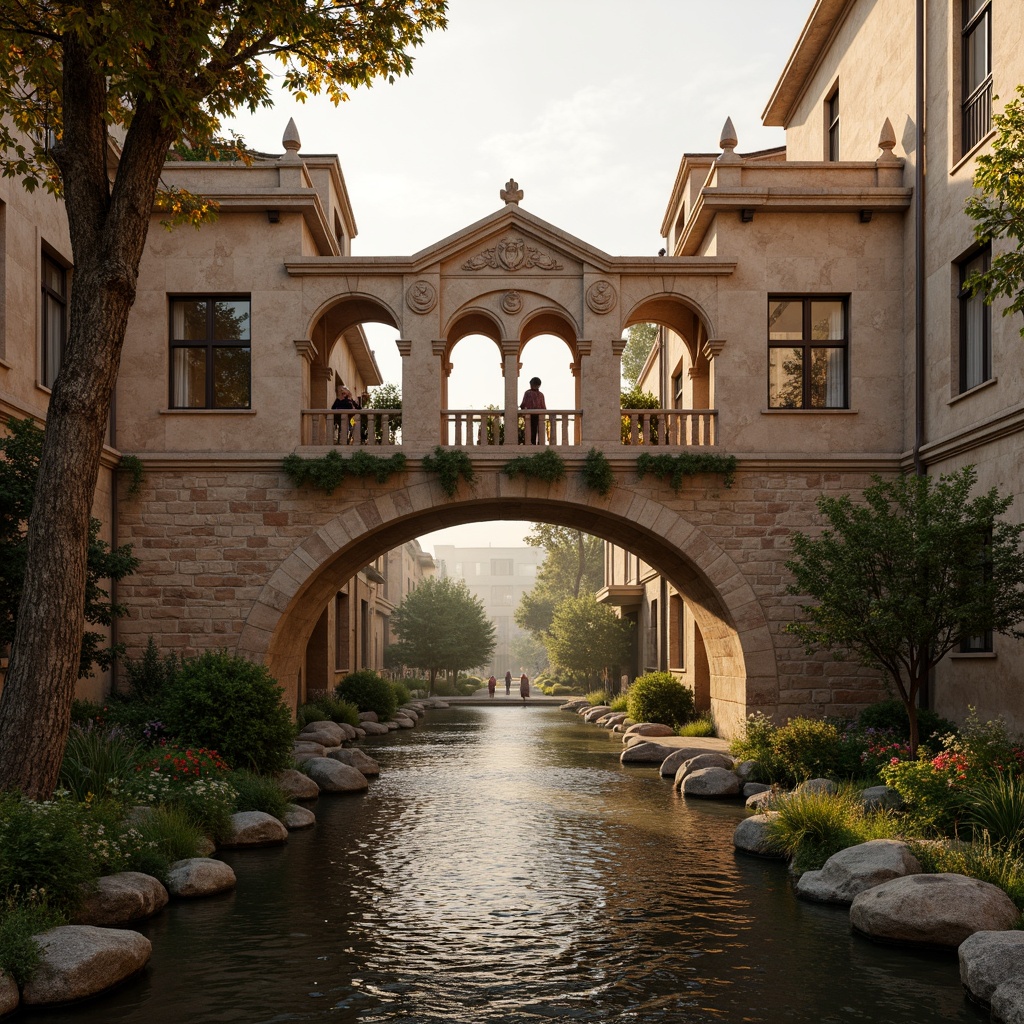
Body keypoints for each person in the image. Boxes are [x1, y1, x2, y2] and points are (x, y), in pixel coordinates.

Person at [520, 376, 546, 444]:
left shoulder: (537, 394)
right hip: (531, 415)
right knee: (533, 430)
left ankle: (536, 443)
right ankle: (534, 443)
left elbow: (523, 405)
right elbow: (524, 405)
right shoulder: (530, 393)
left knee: (536, 430)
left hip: (536, 415)